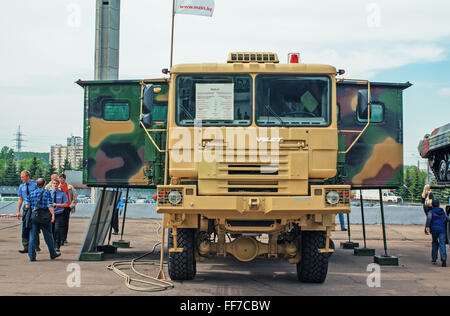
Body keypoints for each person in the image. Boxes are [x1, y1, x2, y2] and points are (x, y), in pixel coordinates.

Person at [24, 178, 59, 261]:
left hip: (35, 217)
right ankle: (52, 254)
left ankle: (32, 256)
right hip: (45, 218)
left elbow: (27, 205)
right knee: (48, 236)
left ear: (36, 185)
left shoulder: (32, 193)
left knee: (33, 236)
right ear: (44, 184)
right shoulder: (47, 192)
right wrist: (53, 215)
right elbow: (49, 205)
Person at [16, 170, 40, 253]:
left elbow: (39, 196)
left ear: (27, 177)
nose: (21, 178)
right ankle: (25, 246)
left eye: (22, 177)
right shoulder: (21, 186)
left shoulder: (35, 184)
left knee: (34, 226)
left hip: (34, 209)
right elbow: (20, 199)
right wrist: (18, 211)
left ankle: (36, 245)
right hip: (26, 209)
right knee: (25, 227)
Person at [425, 199, 449, 267]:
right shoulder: (442, 211)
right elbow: (447, 219)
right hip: (442, 230)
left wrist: (427, 227)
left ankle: (434, 258)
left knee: (435, 242)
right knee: (442, 244)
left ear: (432, 205)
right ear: (438, 204)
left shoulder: (431, 211)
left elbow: (429, 219)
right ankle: (443, 258)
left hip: (434, 230)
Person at [50, 178, 69, 254]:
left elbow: (66, 204)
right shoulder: (49, 193)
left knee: (57, 230)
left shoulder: (62, 193)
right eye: (54, 183)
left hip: (59, 214)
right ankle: (52, 245)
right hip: (51, 214)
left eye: (56, 184)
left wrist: (57, 205)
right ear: (52, 184)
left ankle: (57, 246)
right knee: (51, 230)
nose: (55, 185)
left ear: (58, 185)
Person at [58, 173, 77, 245]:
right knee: (60, 223)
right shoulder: (58, 187)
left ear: (64, 179)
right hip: (60, 207)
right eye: (60, 178)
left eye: (62, 178)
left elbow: (75, 198)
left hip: (67, 207)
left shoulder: (70, 187)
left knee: (65, 223)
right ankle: (60, 238)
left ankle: (64, 238)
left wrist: (71, 206)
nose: (61, 180)